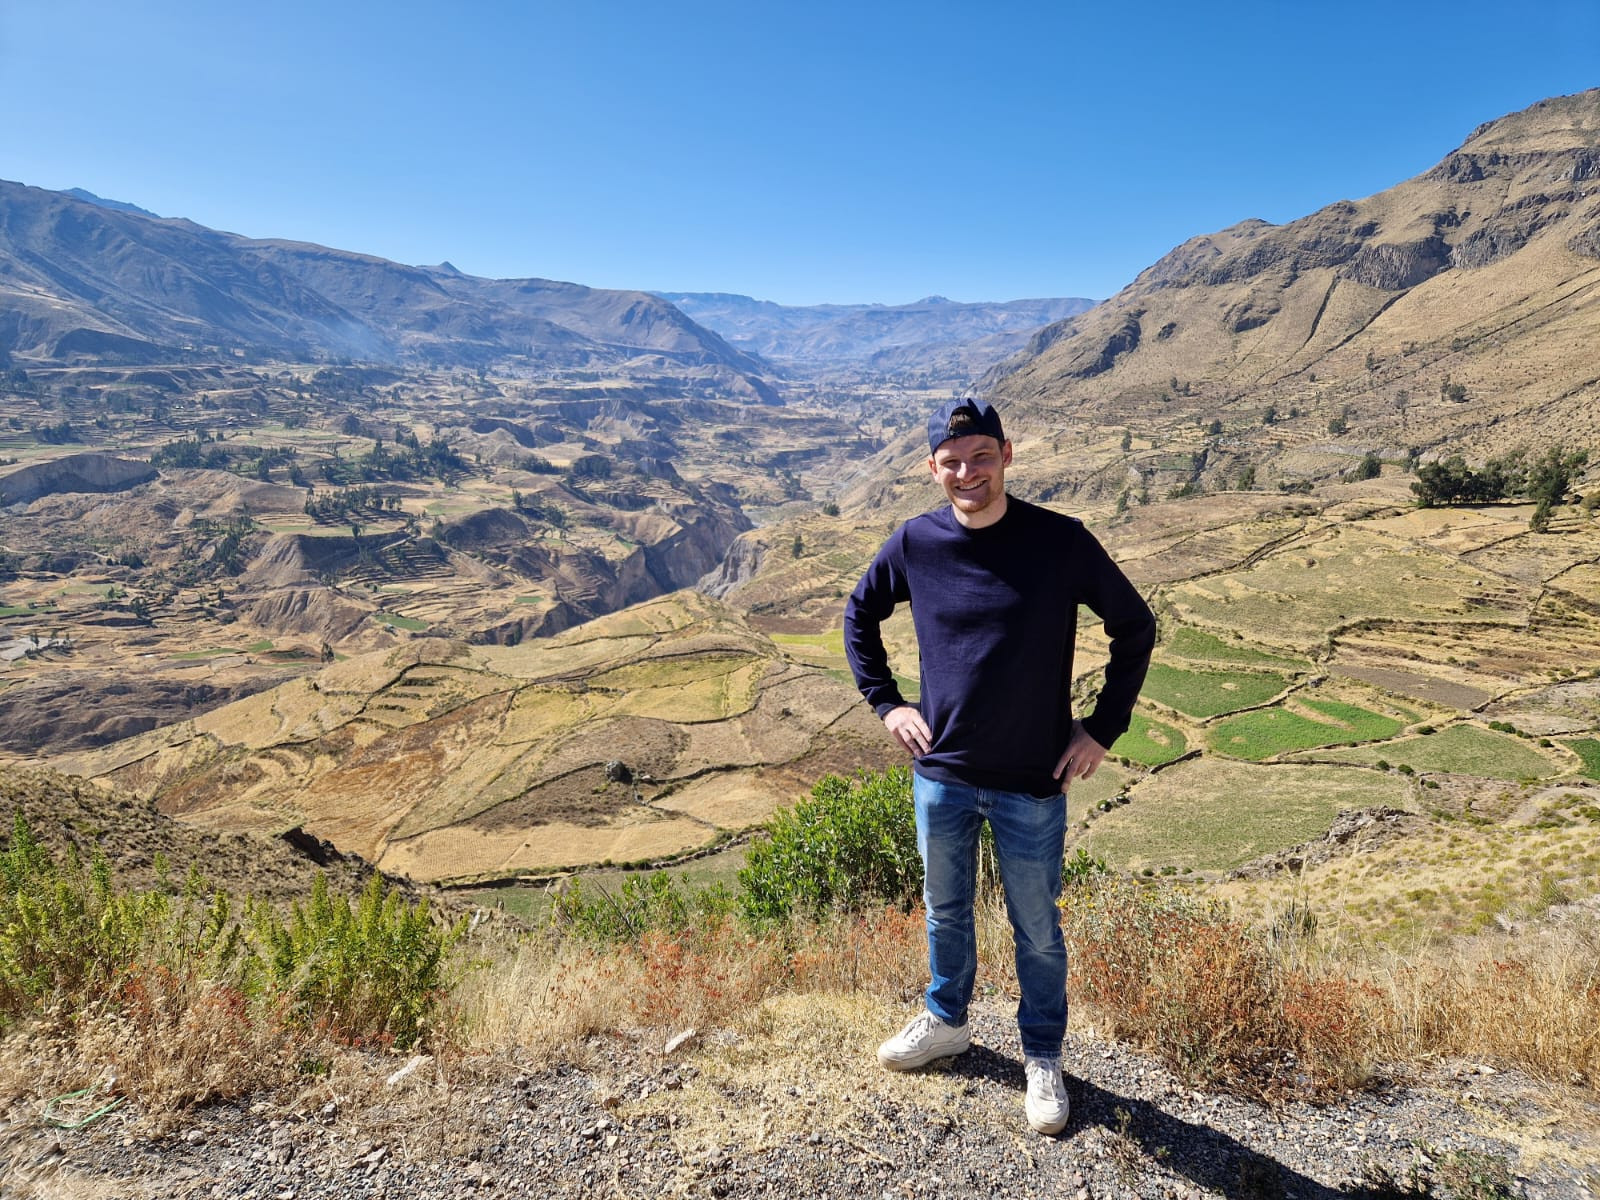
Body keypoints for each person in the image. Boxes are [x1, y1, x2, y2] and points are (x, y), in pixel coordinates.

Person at [842, 397, 1155, 1135]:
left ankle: (1041, 1055)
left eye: (981, 456)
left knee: (1036, 928)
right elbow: (859, 615)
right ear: (932, 468)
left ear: (1007, 455)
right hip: (942, 774)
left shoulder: (1060, 541)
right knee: (945, 910)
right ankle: (947, 1021)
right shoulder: (915, 543)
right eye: (951, 462)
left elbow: (1134, 626)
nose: (967, 472)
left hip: (1031, 781)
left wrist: (1101, 729)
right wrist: (887, 704)